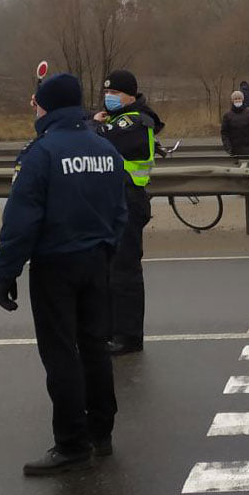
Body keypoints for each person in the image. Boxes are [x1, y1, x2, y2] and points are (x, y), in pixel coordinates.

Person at [0, 74, 127, 476]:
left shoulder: (41, 153)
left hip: (55, 265)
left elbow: (21, 220)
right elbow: (120, 209)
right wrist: (106, 248)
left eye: (36, 103)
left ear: (46, 106)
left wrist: (5, 271)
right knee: (95, 347)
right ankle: (101, 433)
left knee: (61, 353)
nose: (34, 109)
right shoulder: (105, 148)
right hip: (97, 260)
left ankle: (71, 443)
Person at [94, 69, 162, 356]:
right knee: (110, 270)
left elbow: (100, 139)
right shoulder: (118, 119)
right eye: (107, 92)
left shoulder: (135, 121)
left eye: (115, 93)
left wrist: (92, 123)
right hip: (114, 200)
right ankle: (112, 331)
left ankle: (128, 336)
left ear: (130, 95)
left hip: (129, 199)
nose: (109, 97)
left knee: (124, 271)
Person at [221, 89, 249, 157]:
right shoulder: (227, 115)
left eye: (239, 98)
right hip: (235, 150)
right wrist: (227, 147)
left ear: (242, 99)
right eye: (235, 99)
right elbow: (224, 133)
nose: (237, 100)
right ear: (232, 101)